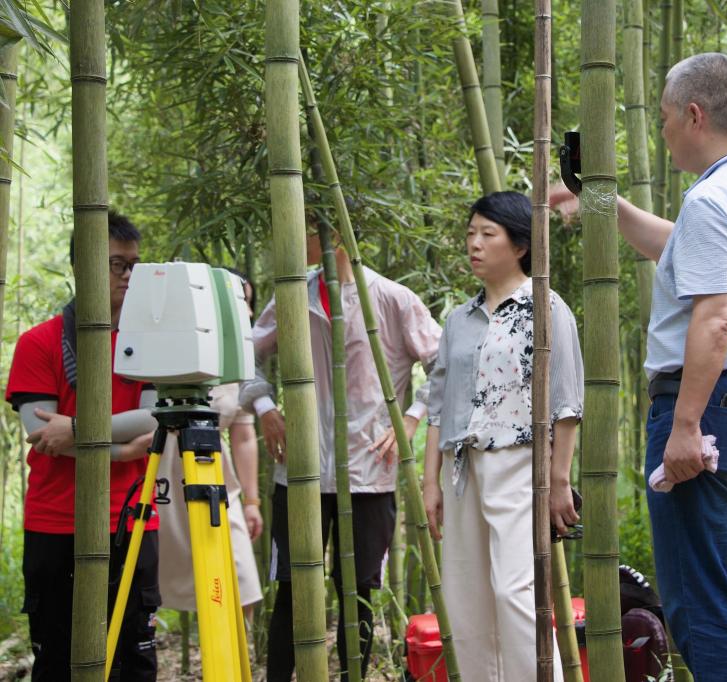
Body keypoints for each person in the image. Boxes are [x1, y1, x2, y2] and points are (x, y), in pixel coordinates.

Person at [554, 53, 727, 682]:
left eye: (663, 119)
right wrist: (597, 198)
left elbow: (716, 319)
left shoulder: (713, 198)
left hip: (708, 407)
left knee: (703, 597)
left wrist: (686, 425)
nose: (661, 132)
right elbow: (679, 247)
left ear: (693, 115)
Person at [241, 216, 441, 681]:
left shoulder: (390, 298)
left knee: (358, 592)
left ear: (335, 234)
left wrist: (411, 417)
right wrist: (265, 406)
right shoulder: (293, 294)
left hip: (370, 469)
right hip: (300, 468)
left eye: (305, 229)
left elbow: (446, 365)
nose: (293, 239)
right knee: (292, 589)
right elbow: (246, 353)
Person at [422, 191, 584, 682]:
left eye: (487, 234)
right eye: (470, 233)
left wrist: (559, 480)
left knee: (515, 593)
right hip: (463, 468)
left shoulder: (546, 307)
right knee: (466, 598)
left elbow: (567, 403)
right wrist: (430, 483)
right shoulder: (458, 319)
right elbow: (438, 403)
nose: (473, 243)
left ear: (519, 246)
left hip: (521, 465)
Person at [7, 212, 161, 682]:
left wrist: (76, 429)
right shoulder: (39, 342)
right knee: (58, 662)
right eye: (117, 264)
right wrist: (123, 449)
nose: (128, 276)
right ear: (82, 266)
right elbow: (44, 436)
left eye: (135, 265)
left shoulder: (151, 341)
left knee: (134, 663)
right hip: (57, 521)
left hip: (132, 518)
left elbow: (153, 419)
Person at [156, 269, 263, 621]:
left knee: (241, 581)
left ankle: (235, 653)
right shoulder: (173, 345)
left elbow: (243, 434)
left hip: (214, 472)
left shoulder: (239, 359)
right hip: (163, 471)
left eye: (249, 303)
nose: (249, 312)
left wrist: (251, 501)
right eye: (241, 302)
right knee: (155, 578)